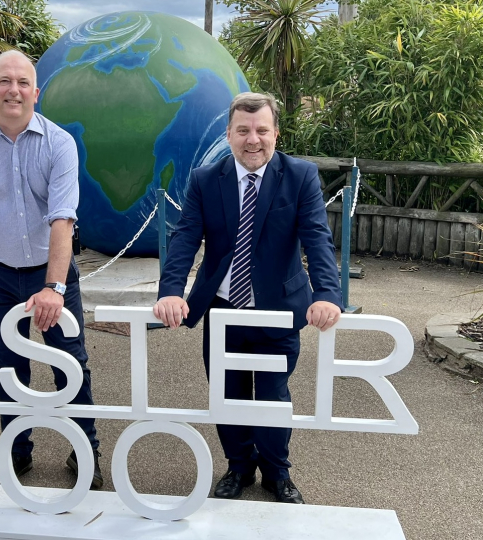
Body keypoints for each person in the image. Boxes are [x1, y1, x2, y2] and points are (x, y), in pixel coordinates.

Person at [153, 92, 343, 504]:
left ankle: (277, 472)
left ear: (276, 132)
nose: (252, 139)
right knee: (228, 395)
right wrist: (171, 291)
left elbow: (317, 237)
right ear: (229, 134)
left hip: (278, 311)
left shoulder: (301, 176)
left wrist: (328, 294)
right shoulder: (206, 179)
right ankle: (238, 467)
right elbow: (185, 237)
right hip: (223, 310)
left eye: (261, 130)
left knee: (272, 397)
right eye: (243, 130)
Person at [0, 50, 102, 489]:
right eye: (4, 82)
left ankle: (86, 451)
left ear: (36, 92)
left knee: (72, 362)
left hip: (51, 272)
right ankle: (17, 454)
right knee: (9, 367)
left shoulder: (59, 143)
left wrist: (54, 286)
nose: (14, 90)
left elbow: (63, 219)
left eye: (23, 82)